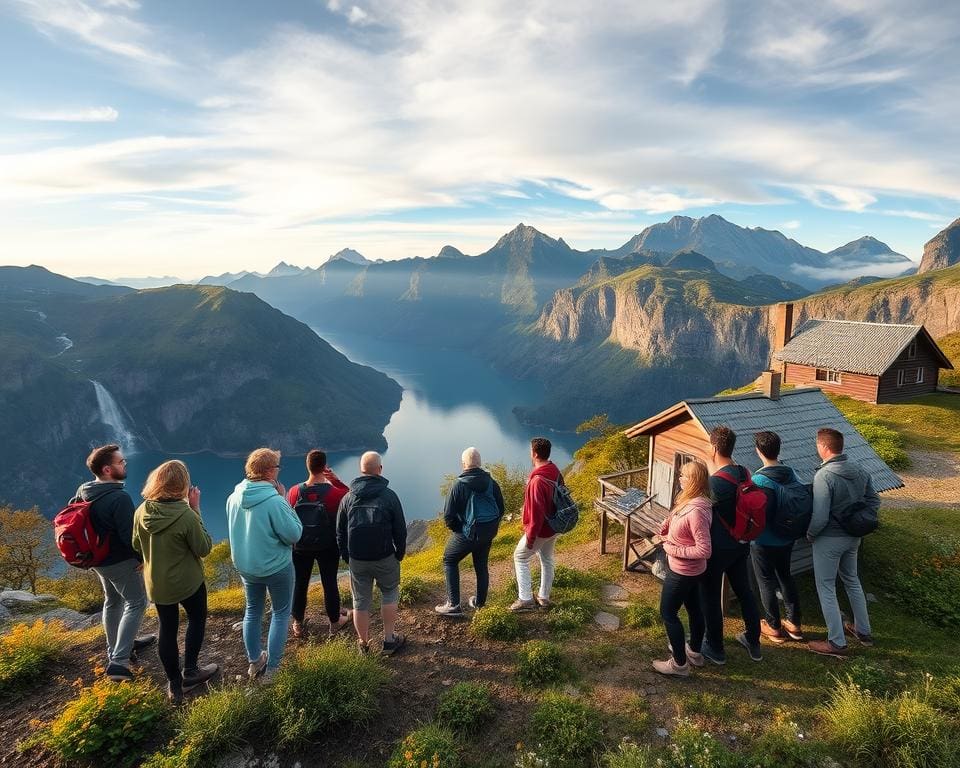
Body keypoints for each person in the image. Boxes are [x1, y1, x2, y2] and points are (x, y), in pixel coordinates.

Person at [132, 460, 218, 703]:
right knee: (196, 619)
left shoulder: (141, 511)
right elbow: (204, 548)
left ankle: (174, 685)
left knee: (167, 630)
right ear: (182, 485)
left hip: (158, 584)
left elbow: (136, 546)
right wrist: (196, 509)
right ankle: (190, 671)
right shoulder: (186, 515)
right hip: (189, 582)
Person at [74, 444, 155, 682]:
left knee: (113, 601)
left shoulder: (85, 489)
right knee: (138, 603)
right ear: (108, 469)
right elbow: (130, 536)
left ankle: (121, 645)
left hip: (97, 559)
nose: (125, 464)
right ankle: (118, 662)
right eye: (121, 462)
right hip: (119, 561)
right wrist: (142, 558)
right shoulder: (119, 498)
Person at [226, 448, 302, 680]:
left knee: (253, 611)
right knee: (280, 613)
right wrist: (283, 499)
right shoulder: (274, 501)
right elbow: (294, 534)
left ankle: (255, 660)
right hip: (275, 566)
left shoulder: (234, 497)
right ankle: (273, 670)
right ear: (270, 472)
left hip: (247, 567)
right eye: (277, 467)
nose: (279, 471)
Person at [807, 428, 879, 657]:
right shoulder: (860, 470)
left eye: (818, 445)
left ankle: (836, 642)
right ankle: (863, 630)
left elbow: (819, 516)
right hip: (853, 537)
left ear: (824, 448)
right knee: (852, 580)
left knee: (826, 586)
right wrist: (859, 522)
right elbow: (874, 501)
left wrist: (810, 534)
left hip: (829, 538)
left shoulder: (824, 476)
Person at [699, 426, 763, 664]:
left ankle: (715, 647)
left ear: (714, 448)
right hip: (741, 544)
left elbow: (700, 513)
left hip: (717, 549)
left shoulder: (714, 483)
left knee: (710, 596)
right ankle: (753, 640)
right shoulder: (745, 473)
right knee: (745, 591)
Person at [336, 451, 407, 655]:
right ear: (380, 469)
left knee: (360, 601)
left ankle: (363, 644)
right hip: (385, 556)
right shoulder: (389, 496)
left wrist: (347, 556)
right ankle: (389, 640)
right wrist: (399, 554)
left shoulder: (348, 497)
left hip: (357, 559)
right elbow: (400, 530)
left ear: (361, 470)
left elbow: (340, 532)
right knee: (390, 594)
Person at [652, 460, 712, 677]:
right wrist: (667, 526)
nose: (679, 479)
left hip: (682, 571)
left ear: (693, 481)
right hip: (693, 571)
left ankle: (679, 664)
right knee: (695, 609)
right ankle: (694, 652)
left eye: (683, 476)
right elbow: (682, 527)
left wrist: (670, 547)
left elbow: (704, 549)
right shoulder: (690, 501)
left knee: (668, 613)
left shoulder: (697, 511)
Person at [286, 450, 352, 638]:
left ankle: (298, 623)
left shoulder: (293, 492)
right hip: (327, 546)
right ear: (325, 467)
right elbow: (349, 496)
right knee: (329, 582)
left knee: (300, 582)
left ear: (307, 466)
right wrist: (336, 480)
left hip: (300, 546)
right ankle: (334, 622)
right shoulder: (334, 493)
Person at [435, 447, 506, 616]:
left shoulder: (458, 485)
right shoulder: (491, 483)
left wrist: (462, 530)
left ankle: (453, 604)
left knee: (449, 559)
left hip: (469, 533)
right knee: (481, 565)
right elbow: (501, 509)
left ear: (463, 464)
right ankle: (480, 604)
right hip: (488, 531)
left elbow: (448, 517)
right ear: (480, 463)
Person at [750, 431, 804, 644]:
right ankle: (794, 624)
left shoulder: (758, 479)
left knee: (765, 581)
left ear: (758, 451)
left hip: (763, 540)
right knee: (786, 576)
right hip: (787, 537)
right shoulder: (792, 474)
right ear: (778, 449)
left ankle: (773, 625)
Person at [510, 437, 561, 612]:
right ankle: (544, 597)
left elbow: (536, 515)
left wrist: (530, 538)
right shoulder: (554, 470)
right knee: (547, 560)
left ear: (534, 453)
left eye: (530, 451)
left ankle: (525, 599)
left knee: (520, 556)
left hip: (542, 529)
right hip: (554, 526)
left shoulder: (537, 481)